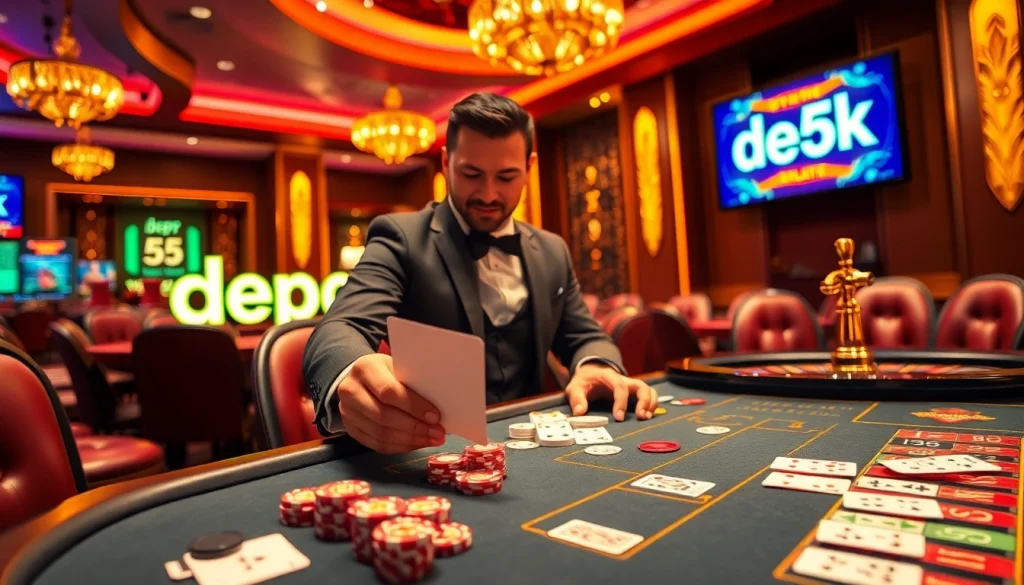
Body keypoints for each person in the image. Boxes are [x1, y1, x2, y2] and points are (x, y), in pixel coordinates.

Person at [303, 93, 658, 454]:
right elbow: (338, 329)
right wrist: (351, 370)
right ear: (446, 163)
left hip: (538, 448)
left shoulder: (552, 250)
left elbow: (584, 335)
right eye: (471, 174)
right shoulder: (401, 237)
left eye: (506, 176)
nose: (488, 194)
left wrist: (595, 365)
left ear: (529, 166)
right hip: (434, 449)